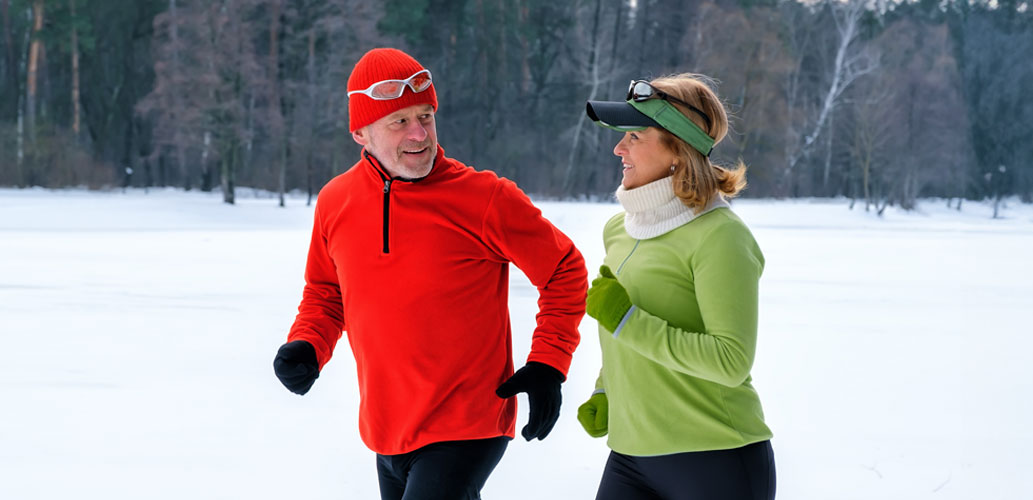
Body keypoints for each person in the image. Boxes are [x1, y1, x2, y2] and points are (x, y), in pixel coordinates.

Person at [271, 47, 588, 500]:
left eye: (425, 115)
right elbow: (327, 292)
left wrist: (548, 363)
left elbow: (564, 269)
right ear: (360, 132)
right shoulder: (336, 201)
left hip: (467, 423)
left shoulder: (484, 198)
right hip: (387, 429)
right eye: (398, 121)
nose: (419, 133)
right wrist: (308, 343)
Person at [576, 74, 776, 500]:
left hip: (716, 457)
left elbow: (730, 360)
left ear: (677, 150)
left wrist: (627, 321)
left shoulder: (720, 236)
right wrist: (607, 386)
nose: (619, 148)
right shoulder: (620, 230)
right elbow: (627, 330)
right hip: (630, 455)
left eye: (634, 135)